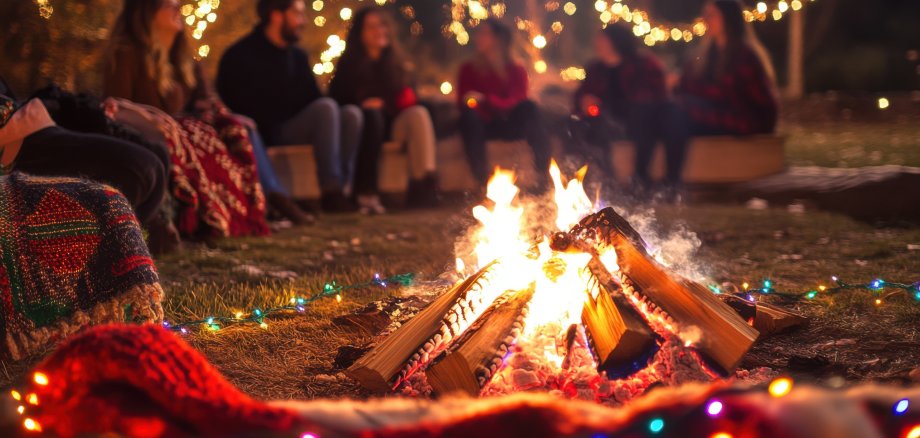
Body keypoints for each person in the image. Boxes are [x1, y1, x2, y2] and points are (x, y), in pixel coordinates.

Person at [103, 0, 282, 238]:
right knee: (197, 138)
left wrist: (220, 113)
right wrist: (153, 118)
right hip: (152, 131)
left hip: (186, 126)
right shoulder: (127, 53)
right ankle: (249, 208)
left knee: (237, 128)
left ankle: (262, 206)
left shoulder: (183, 54)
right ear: (148, 12)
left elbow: (206, 97)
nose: (178, 11)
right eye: (170, 5)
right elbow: (116, 106)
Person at [217, 0, 362, 212]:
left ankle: (342, 189)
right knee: (326, 108)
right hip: (265, 131)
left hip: (295, 125)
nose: (302, 21)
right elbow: (236, 102)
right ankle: (330, 191)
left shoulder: (297, 57)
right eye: (297, 14)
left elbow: (313, 99)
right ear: (276, 15)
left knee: (351, 114)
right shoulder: (240, 55)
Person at [329, 7, 439, 213]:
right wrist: (364, 104)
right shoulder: (348, 65)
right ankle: (366, 192)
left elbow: (407, 97)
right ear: (359, 33)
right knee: (372, 115)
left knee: (419, 114)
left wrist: (386, 103)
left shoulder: (397, 63)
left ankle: (423, 187)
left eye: (381, 25)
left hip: (394, 123)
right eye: (371, 27)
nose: (379, 31)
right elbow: (339, 99)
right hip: (366, 127)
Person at [571, 24, 687, 191]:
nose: (597, 42)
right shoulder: (596, 68)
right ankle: (605, 183)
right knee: (580, 124)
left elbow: (658, 96)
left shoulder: (644, 64)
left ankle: (643, 180)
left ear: (614, 41)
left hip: (640, 118)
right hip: (605, 119)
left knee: (650, 114)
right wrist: (584, 101)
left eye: (601, 39)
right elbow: (580, 96)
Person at [456, 19, 551, 189]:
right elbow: (464, 101)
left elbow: (516, 101)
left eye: (484, 33)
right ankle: (482, 183)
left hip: (511, 123)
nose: (478, 37)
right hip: (483, 125)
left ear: (498, 39)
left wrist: (485, 100)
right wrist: (481, 105)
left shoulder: (516, 70)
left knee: (530, 107)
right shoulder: (468, 69)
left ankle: (542, 175)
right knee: (468, 117)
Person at [675, 0, 779, 136]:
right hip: (720, 114)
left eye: (712, 15)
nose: (706, 20)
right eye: (705, 14)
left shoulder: (744, 56)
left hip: (747, 121)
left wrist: (686, 87)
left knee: (682, 109)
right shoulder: (708, 54)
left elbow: (726, 94)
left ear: (728, 18)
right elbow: (696, 84)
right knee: (672, 110)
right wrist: (678, 83)